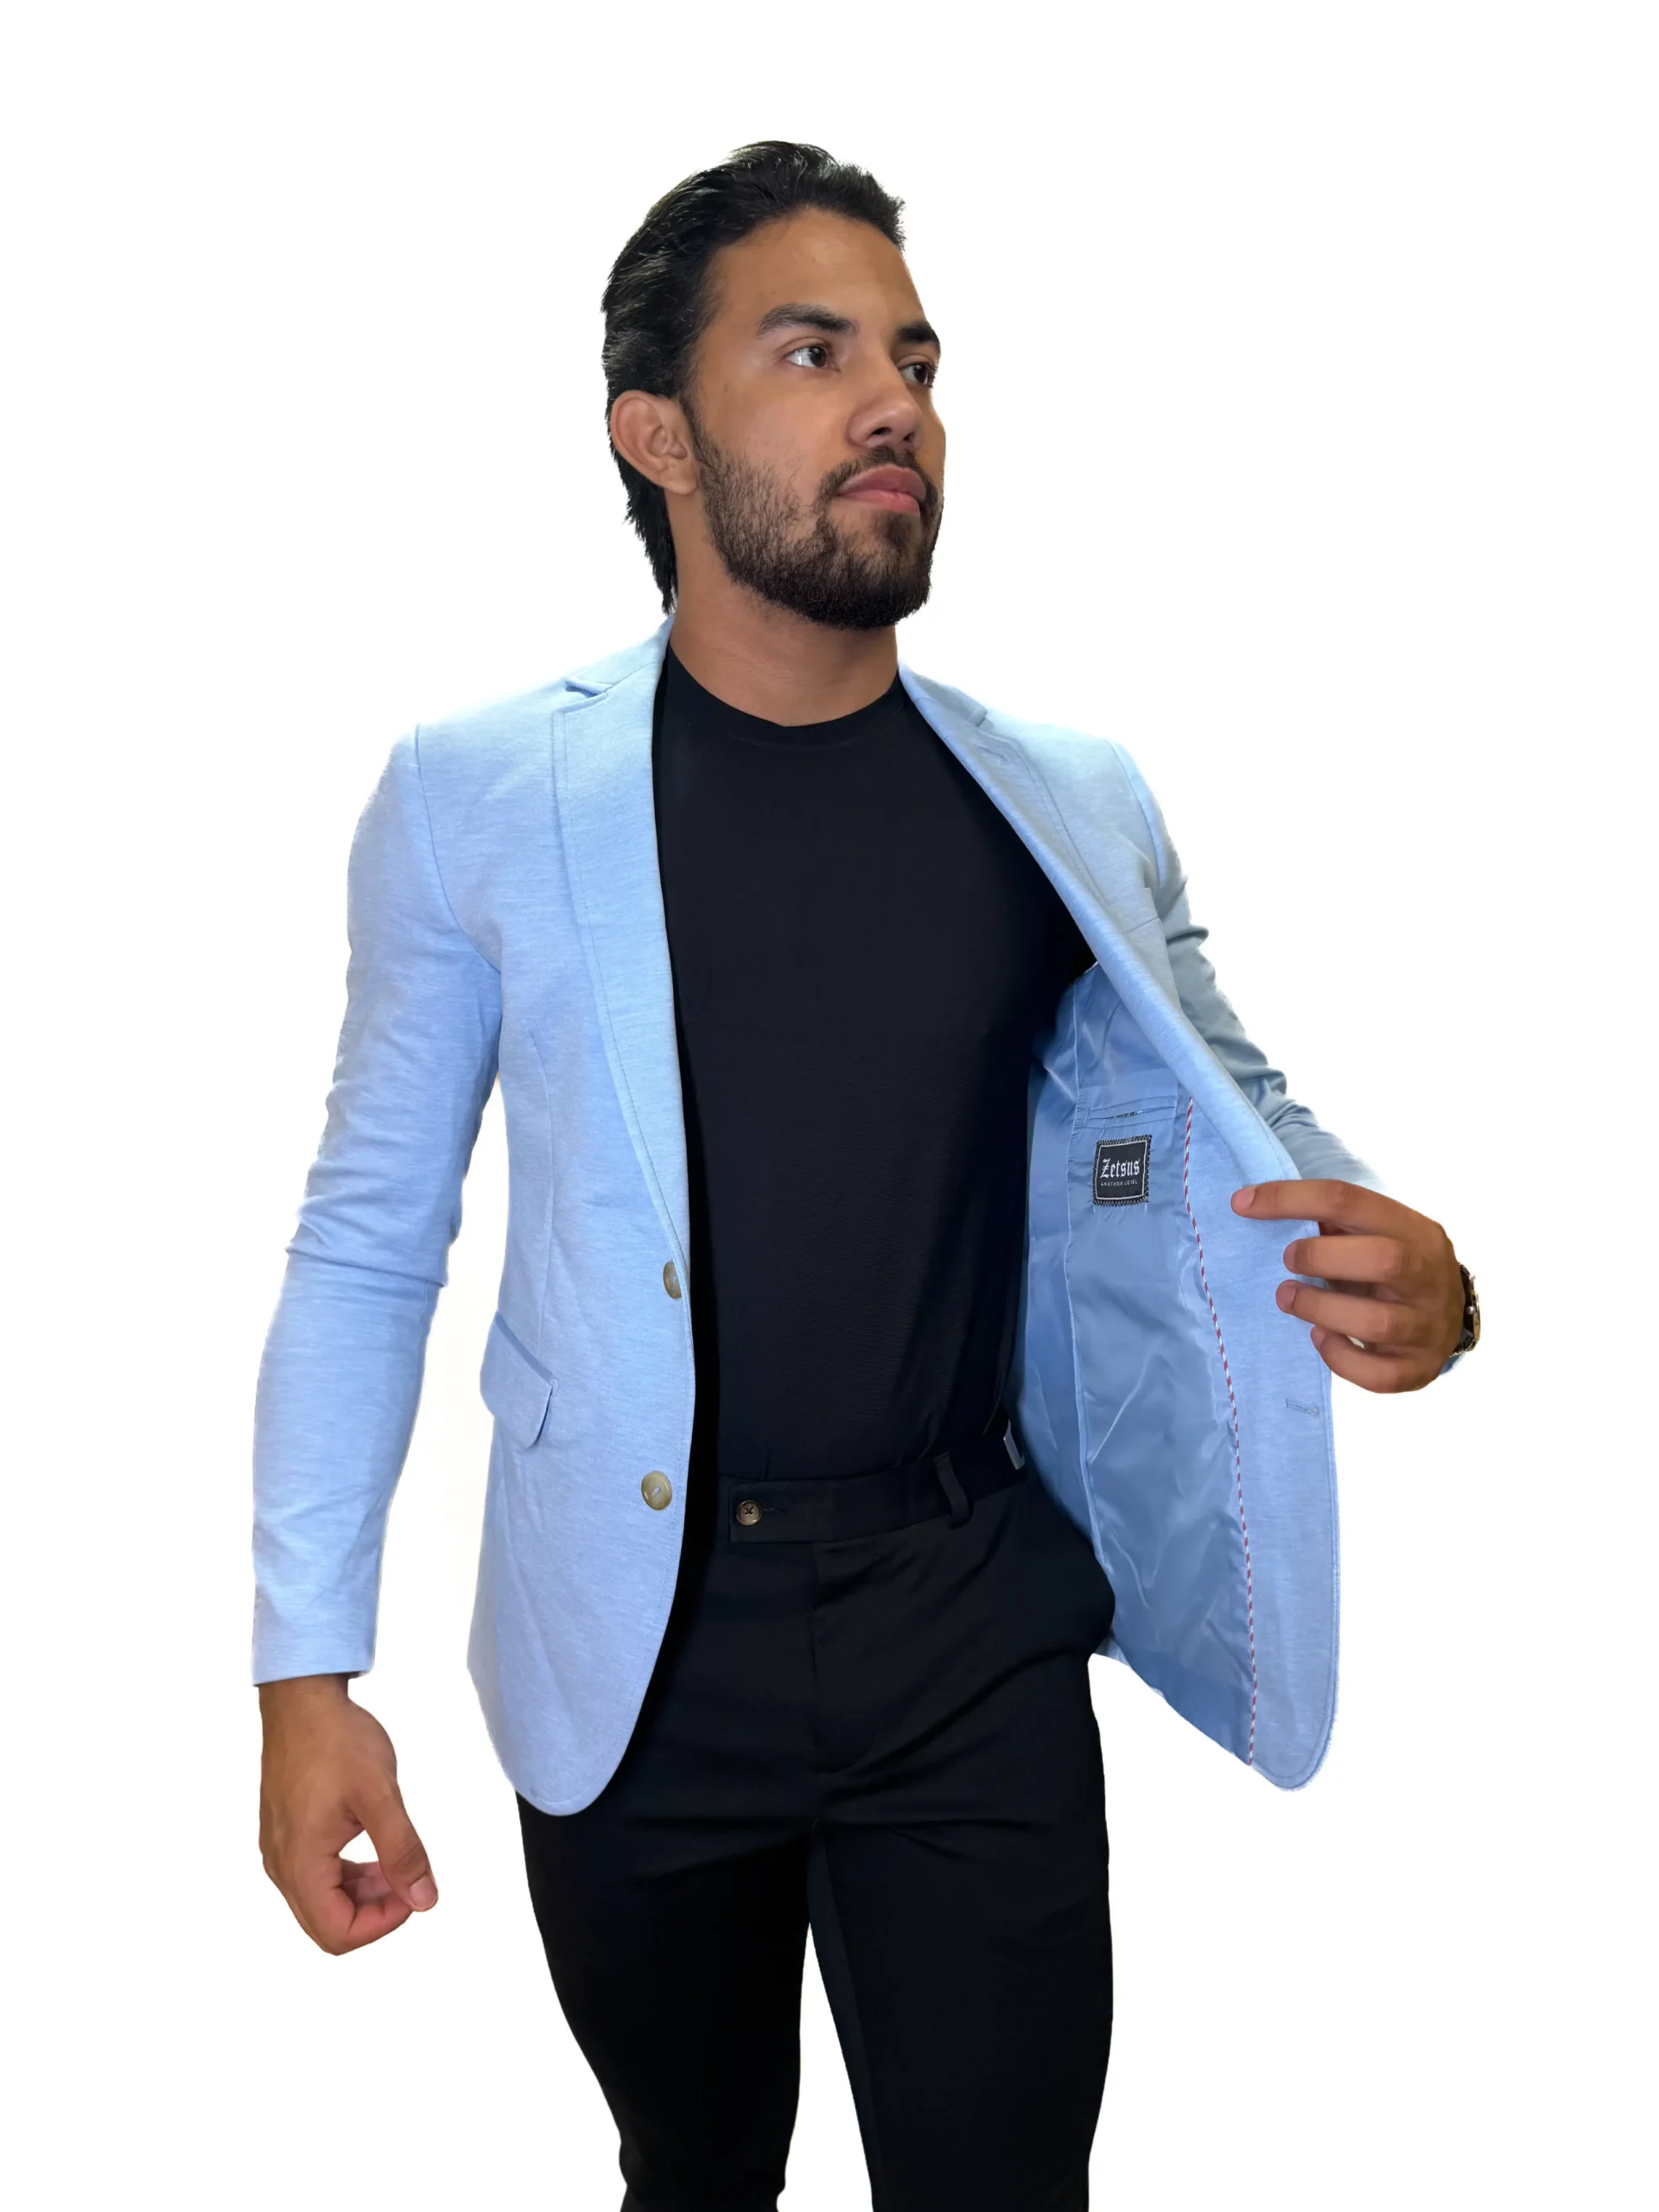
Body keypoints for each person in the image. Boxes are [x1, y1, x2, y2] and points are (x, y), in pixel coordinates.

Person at [253, 141, 1478, 2212]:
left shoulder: (1065, 797)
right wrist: (309, 1673)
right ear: (656, 434)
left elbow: (1239, 1099)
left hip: (967, 1613)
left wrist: (1432, 1283)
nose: (893, 402)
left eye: (912, 358)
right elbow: (370, 1242)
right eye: (812, 352)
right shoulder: (477, 796)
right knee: (694, 2167)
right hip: (632, 1638)